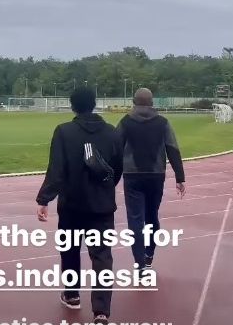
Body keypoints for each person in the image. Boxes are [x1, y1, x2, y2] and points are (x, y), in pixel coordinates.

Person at [35, 88, 123, 325]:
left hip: (71, 204)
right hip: (102, 206)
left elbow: (57, 170)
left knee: (70, 251)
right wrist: (105, 189)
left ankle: (72, 295)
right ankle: (102, 311)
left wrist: (44, 199)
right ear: (94, 104)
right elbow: (116, 170)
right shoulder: (113, 133)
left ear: (72, 105)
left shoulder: (64, 132)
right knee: (102, 257)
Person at [116, 88, 185, 276]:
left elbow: (114, 149)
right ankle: (149, 254)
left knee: (135, 220)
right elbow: (173, 149)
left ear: (133, 102)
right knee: (152, 215)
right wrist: (180, 178)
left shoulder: (125, 122)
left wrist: (111, 177)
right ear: (152, 102)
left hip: (132, 176)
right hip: (156, 175)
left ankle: (139, 265)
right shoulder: (163, 123)